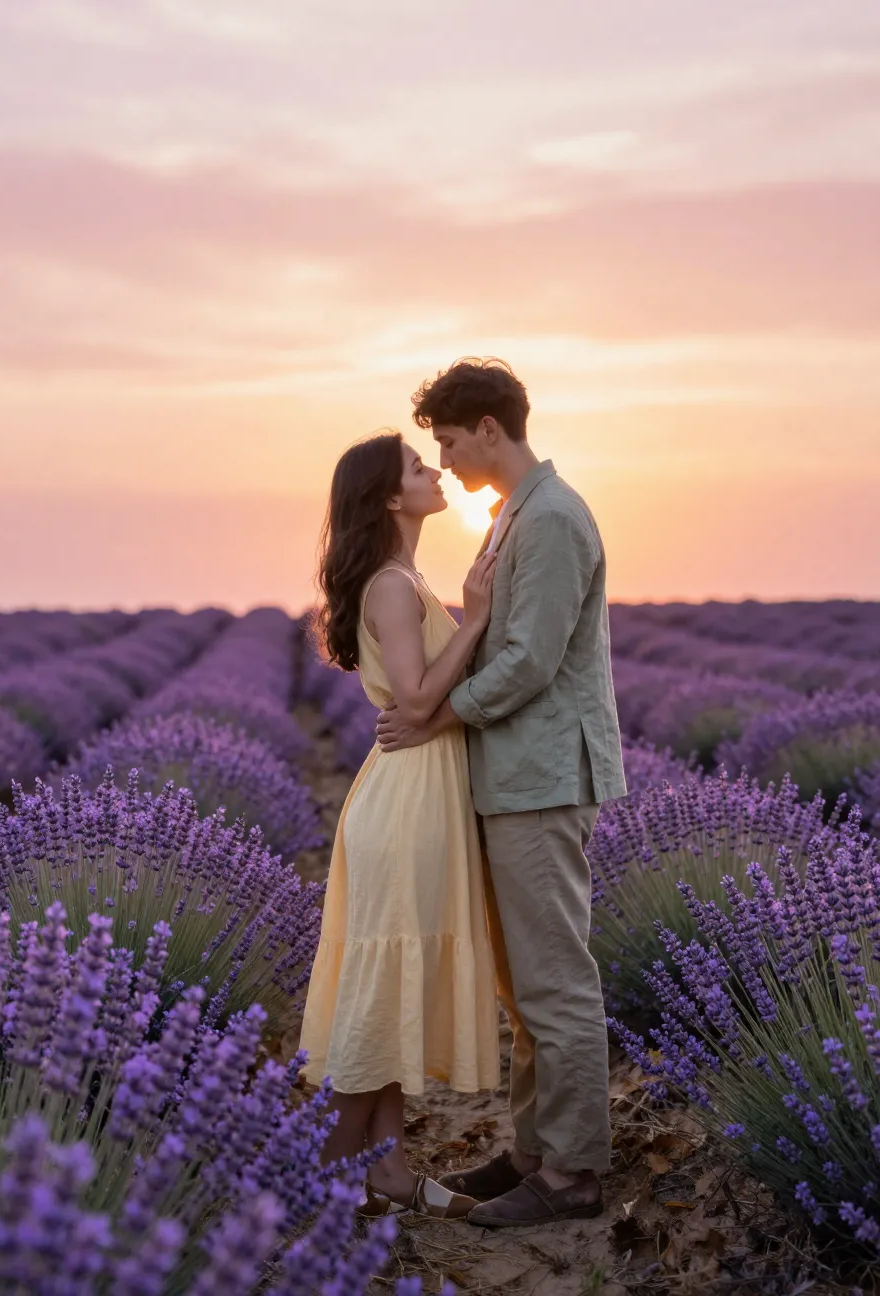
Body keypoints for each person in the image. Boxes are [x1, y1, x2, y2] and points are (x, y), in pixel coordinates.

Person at [377, 358, 627, 1228]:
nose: (442, 460)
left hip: (544, 776)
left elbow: (530, 659)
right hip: (514, 775)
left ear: (490, 428)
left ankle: (573, 1177)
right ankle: (533, 1154)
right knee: (526, 987)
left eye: (448, 441)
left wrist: (437, 718)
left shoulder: (552, 518)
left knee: (556, 981)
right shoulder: (511, 517)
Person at [298, 431, 503, 1219]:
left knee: (391, 987)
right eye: (418, 468)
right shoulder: (392, 585)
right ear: (390, 497)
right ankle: (318, 1177)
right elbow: (416, 700)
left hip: (418, 791)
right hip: (407, 801)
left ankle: (386, 1168)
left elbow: (419, 705)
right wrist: (478, 620)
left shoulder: (404, 578)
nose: (434, 472)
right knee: (383, 994)